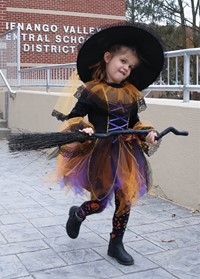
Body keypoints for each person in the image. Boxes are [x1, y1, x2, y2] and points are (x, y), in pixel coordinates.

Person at [53, 23, 164, 266]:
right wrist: (83, 127)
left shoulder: (132, 94)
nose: (126, 68)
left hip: (127, 152)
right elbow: (74, 115)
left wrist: (146, 134)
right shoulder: (92, 91)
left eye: (130, 66)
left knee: (125, 198)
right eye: (123, 61)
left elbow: (134, 122)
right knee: (99, 202)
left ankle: (116, 243)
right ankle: (79, 213)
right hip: (101, 151)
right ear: (107, 58)